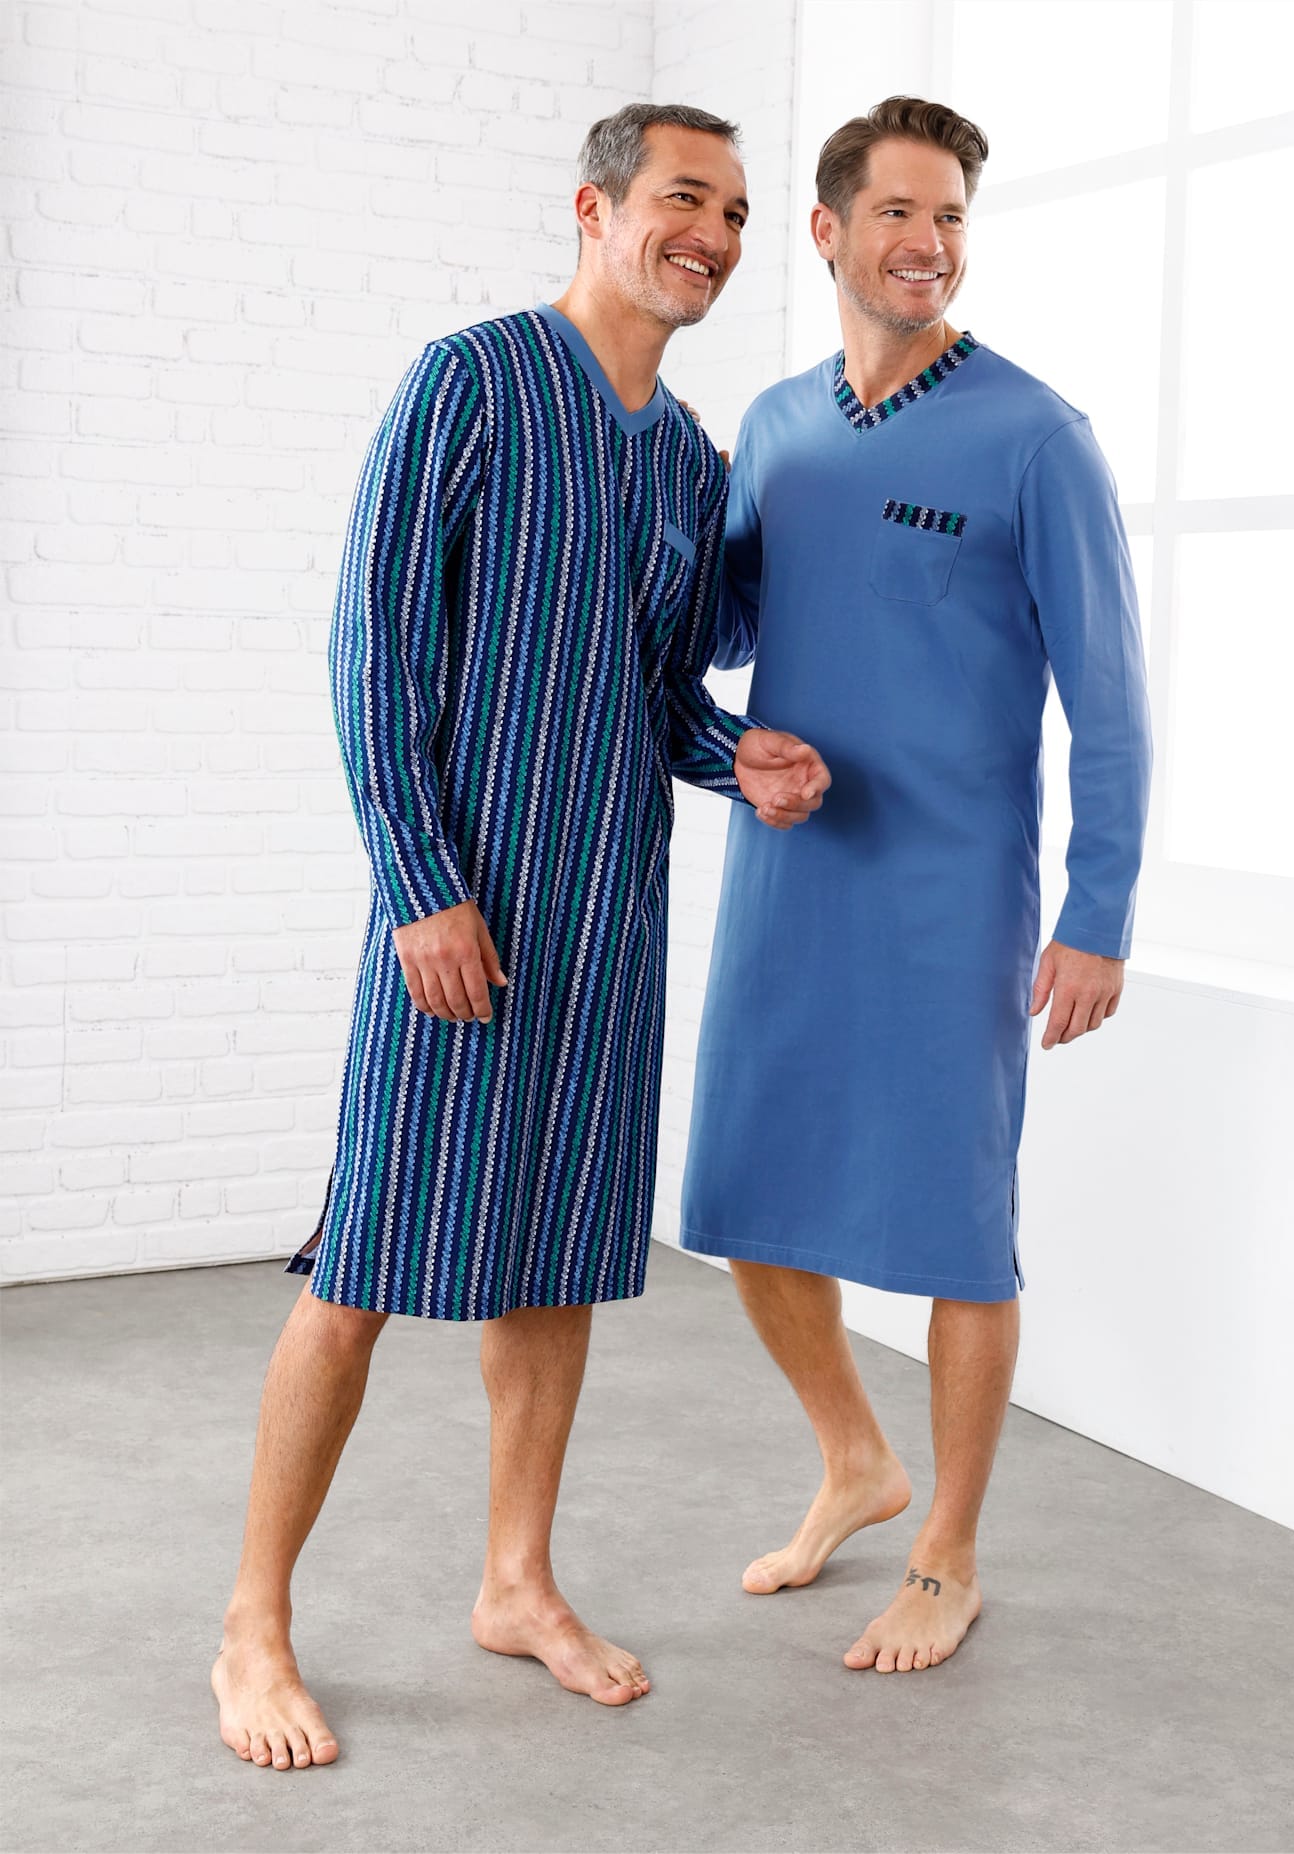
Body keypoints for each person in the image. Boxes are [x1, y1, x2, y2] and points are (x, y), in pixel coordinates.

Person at [212, 101, 830, 1770]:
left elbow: (658, 691)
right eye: (685, 197)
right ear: (596, 208)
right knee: (362, 1265)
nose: (713, 233)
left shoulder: (688, 459)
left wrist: (740, 757)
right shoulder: (470, 382)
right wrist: (419, 881)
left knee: (556, 1260)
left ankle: (516, 1580)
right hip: (458, 919)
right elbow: (373, 644)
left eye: (738, 211)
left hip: (606, 922)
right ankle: (253, 1622)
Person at [681, 95, 1152, 1675]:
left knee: (958, 1229)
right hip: (790, 873)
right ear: (827, 231)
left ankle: (947, 1550)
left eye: (949, 216)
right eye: (897, 212)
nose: (927, 244)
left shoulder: (1037, 437)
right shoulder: (775, 425)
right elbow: (723, 630)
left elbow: (1112, 702)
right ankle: (854, 1460)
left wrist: (1099, 910)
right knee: (744, 1194)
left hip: (954, 898)